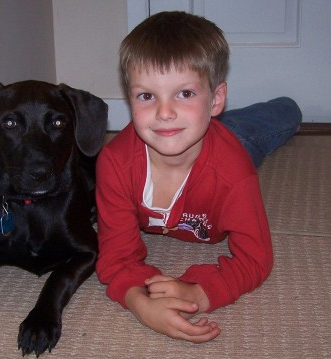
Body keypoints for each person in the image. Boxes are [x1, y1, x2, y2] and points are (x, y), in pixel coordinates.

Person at [95, 11, 301, 344]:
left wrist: (198, 293)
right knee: (191, 124)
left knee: (281, 117)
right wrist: (139, 301)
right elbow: (116, 255)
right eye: (147, 96)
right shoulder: (114, 163)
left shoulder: (234, 174)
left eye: (185, 93)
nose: (164, 112)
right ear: (130, 96)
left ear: (217, 97)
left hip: (234, 143)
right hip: (198, 131)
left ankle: (282, 107)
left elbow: (255, 259)